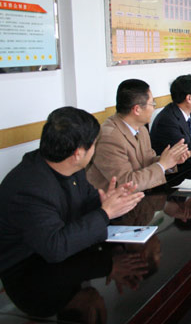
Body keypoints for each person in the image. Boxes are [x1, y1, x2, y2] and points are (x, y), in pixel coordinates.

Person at [0, 107, 145, 275]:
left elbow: (86, 202)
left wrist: (109, 202)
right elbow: (55, 247)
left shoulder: (70, 167)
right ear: (78, 154)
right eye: (94, 145)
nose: (95, 149)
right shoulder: (30, 190)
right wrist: (105, 213)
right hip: (25, 269)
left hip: (62, 257)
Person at [87, 79, 191, 192]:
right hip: (116, 200)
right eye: (152, 104)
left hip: (142, 195)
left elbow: (147, 162)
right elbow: (126, 184)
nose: (154, 108)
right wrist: (162, 165)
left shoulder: (141, 129)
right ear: (137, 109)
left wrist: (171, 160)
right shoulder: (109, 137)